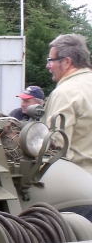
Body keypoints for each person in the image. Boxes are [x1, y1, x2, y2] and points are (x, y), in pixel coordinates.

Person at [42, 33, 92, 173]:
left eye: (50, 60)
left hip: (80, 183)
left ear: (66, 62)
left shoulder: (66, 93)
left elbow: (56, 148)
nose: (48, 66)